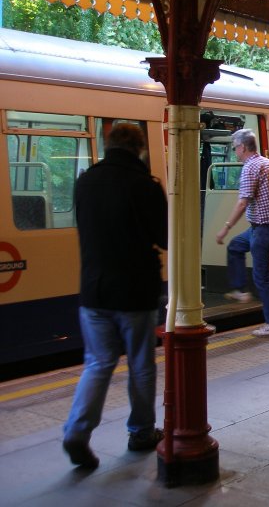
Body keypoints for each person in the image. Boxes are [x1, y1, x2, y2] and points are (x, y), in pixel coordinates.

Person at [62, 123, 167, 469]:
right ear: (139, 149)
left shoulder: (85, 181)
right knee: (140, 363)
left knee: (98, 362)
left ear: (107, 146)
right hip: (135, 292)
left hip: (93, 291)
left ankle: (77, 431)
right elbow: (165, 237)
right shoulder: (145, 186)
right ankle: (141, 432)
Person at [216, 129, 269, 339]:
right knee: (236, 245)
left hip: (263, 229)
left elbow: (242, 202)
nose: (235, 152)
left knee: (262, 278)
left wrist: (225, 227)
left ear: (243, 147)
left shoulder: (250, 168)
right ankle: (240, 290)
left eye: (235, 147)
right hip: (267, 227)